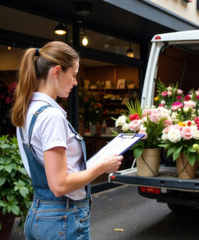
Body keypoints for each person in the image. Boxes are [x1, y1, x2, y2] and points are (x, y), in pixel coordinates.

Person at [11, 41, 123, 240]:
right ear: (56, 72)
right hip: (63, 218)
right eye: (73, 74)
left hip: (39, 214)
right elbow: (60, 185)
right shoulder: (51, 116)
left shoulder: (27, 110)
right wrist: (102, 166)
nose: (75, 82)